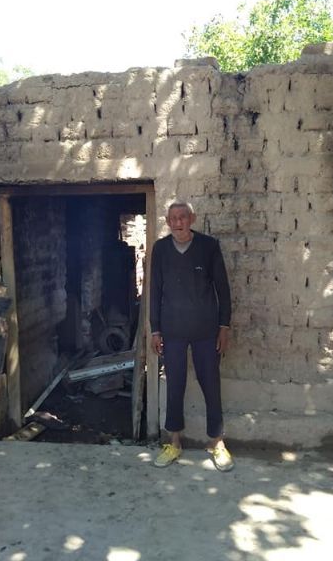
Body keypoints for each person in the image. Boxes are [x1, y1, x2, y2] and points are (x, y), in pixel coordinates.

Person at [149, 200, 233, 471]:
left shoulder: (209, 247)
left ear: (192, 218)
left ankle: (217, 442)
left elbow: (223, 289)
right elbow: (154, 290)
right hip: (172, 330)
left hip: (206, 330)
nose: (178, 222)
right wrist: (155, 329)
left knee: (211, 383)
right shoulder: (161, 249)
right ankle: (174, 443)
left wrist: (224, 327)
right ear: (167, 221)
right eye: (173, 218)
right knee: (174, 385)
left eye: (183, 217)